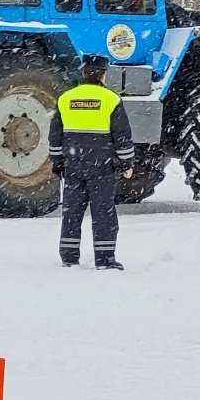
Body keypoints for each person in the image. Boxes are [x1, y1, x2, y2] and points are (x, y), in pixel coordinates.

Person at [48, 56, 134, 270]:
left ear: (84, 72)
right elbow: (122, 136)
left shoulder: (65, 98)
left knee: (71, 213)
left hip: (73, 166)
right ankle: (104, 259)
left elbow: (55, 136)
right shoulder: (111, 99)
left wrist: (58, 162)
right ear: (103, 73)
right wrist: (127, 163)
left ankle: (69, 257)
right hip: (102, 167)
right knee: (103, 213)